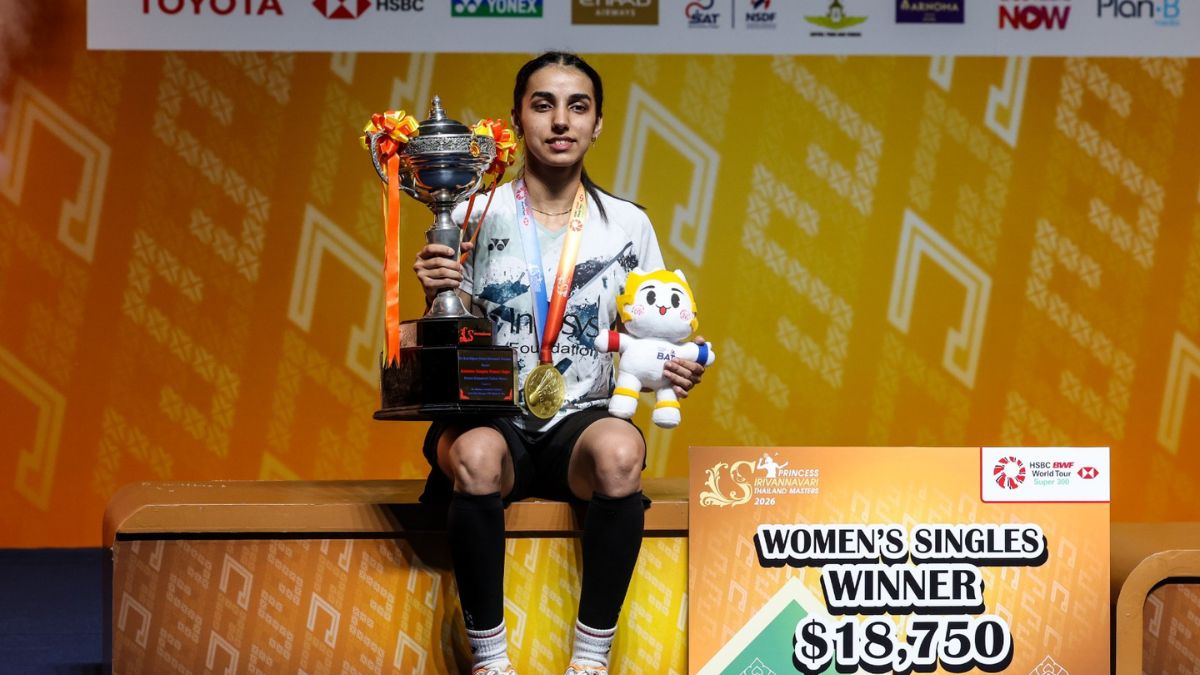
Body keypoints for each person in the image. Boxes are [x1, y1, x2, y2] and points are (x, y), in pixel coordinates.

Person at [413, 52, 706, 675]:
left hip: (580, 424)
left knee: (621, 454)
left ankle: (589, 660)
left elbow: (654, 326)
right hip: (491, 417)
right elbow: (446, 334)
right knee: (476, 456)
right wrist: (436, 291)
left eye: (578, 106)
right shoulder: (470, 213)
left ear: (598, 124)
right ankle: (491, 660)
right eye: (542, 105)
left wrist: (675, 366)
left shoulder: (626, 224)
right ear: (518, 119)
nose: (560, 121)